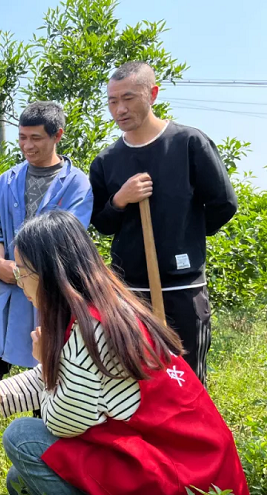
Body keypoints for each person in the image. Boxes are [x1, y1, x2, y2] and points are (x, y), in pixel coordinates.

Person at [0, 211, 250, 495]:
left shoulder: (93, 329)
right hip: (195, 474)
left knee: (23, 437)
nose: (21, 282)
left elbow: (61, 421)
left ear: (50, 273)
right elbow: (63, 376)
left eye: (24, 272)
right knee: (20, 480)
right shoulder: (100, 309)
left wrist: (44, 361)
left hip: (188, 491)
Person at [90, 61, 237, 386]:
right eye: (112, 101)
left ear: (152, 94)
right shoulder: (107, 161)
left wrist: (186, 239)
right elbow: (101, 222)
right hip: (130, 291)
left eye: (128, 98)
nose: (120, 109)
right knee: (136, 379)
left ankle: (193, 437)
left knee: (187, 379)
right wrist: (119, 200)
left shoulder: (188, 143)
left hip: (183, 287)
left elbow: (224, 204)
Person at [0, 101, 93, 417]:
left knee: (51, 359)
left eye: (36, 138)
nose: (28, 145)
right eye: (22, 137)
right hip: (6, 283)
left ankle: (46, 425)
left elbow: (70, 235)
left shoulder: (76, 183)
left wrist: (30, 271)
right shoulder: (7, 180)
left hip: (50, 287)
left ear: (57, 136)